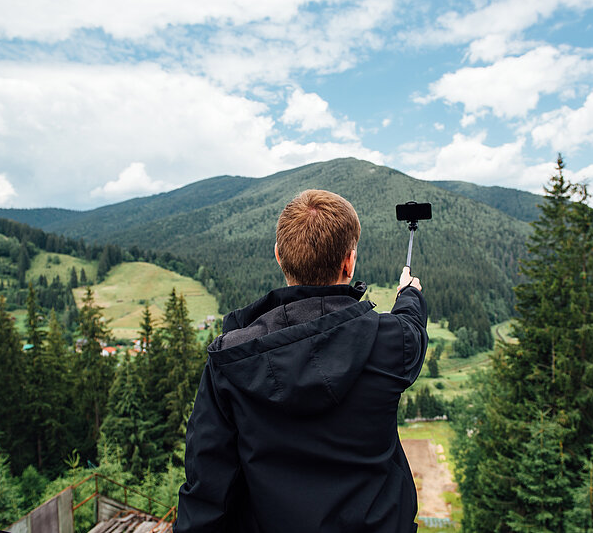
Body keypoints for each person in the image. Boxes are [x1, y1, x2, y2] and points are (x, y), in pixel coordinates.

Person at [175, 189, 428, 532]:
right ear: (349, 262)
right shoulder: (388, 343)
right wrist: (409, 294)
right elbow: (411, 330)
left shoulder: (230, 360)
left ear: (279, 256)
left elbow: (206, 487)